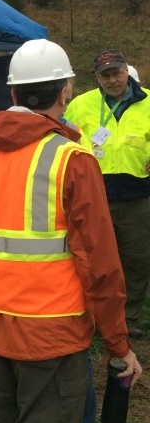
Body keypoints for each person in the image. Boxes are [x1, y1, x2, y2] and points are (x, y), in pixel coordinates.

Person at [0, 39, 142, 423]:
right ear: (65, 93)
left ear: (14, 94)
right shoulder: (72, 160)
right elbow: (100, 264)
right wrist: (118, 344)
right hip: (54, 334)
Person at [65, 50, 150, 340]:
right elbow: (60, 134)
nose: (112, 80)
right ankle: (90, 314)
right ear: (97, 78)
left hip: (137, 195)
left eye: (117, 73)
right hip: (92, 195)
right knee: (91, 258)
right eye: (105, 75)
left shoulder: (149, 102)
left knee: (136, 258)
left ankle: (128, 318)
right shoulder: (80, 104)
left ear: (127, 71)